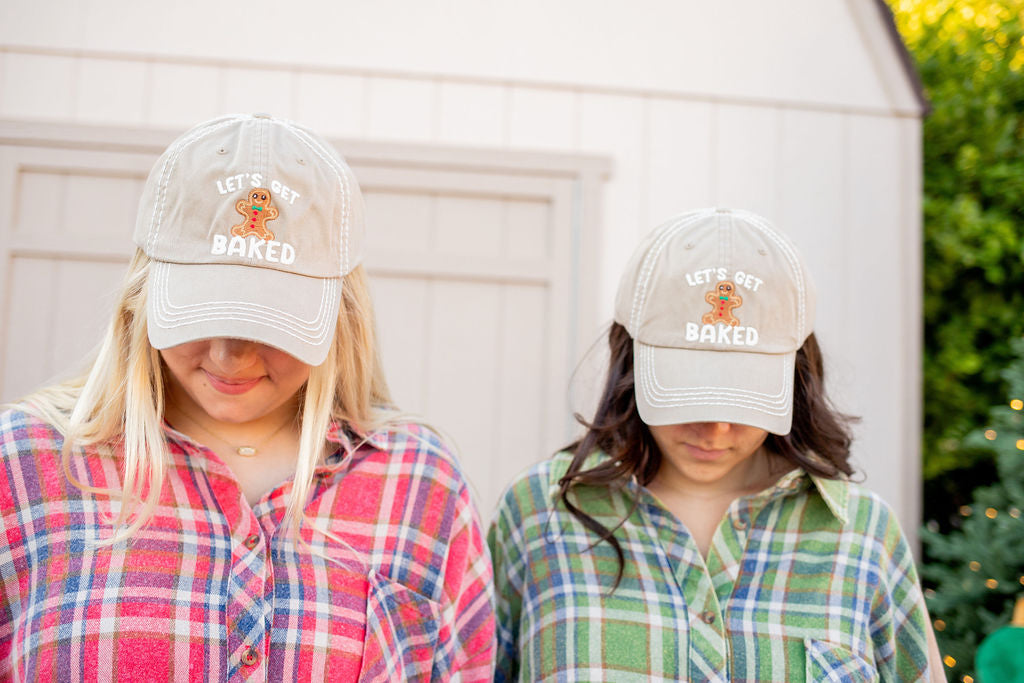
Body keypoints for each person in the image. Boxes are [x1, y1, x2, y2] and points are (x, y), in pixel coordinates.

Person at [0, 113, 495, 681]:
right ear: (143, 295)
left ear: (341, 317)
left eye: (271, 326)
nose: (230, 358)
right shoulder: (25, 464)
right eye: (199, 314)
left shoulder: (418, 483)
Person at [488, 207, 945, 681]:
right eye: (686, 396)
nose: (715, 430)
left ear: (796, 377)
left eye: (745, 400)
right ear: (628, 361)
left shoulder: (863, 534)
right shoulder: (538, 513)